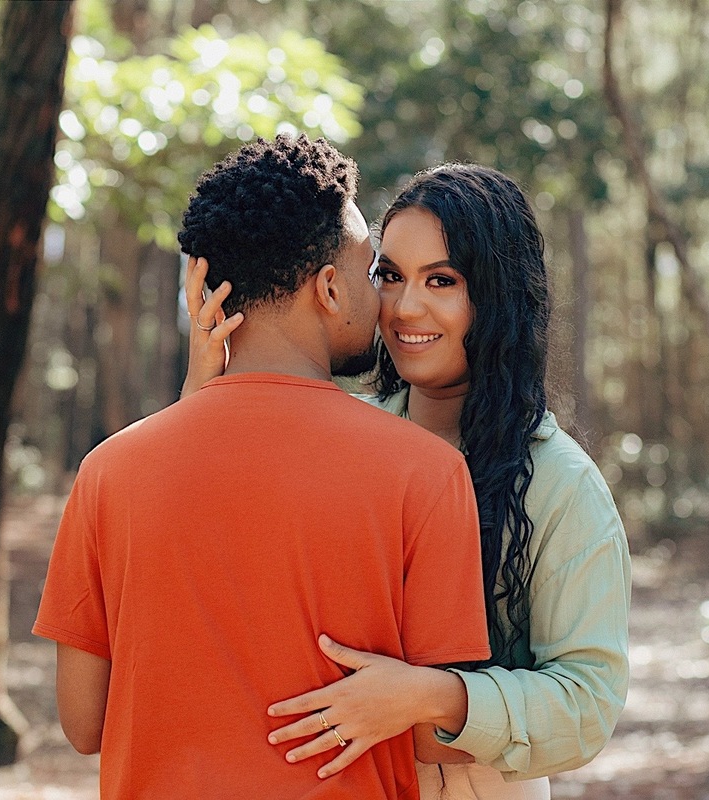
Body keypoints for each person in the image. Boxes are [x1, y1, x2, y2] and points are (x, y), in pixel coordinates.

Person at [32, 135, 493, 800]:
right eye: (370, 272)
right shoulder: (426, 472)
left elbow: (83, 722)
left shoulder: (110, 472)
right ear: (329, 288)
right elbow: (429, 738)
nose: (382, 297)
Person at [183, 163, 631, 800]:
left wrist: (429, 697)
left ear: (499, 295)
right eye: (388, 276)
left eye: (441, 280)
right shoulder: (339, 439)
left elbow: (588, 705)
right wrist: (206, 392)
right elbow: (214, 549)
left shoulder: (560, 486)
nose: (403, 307)